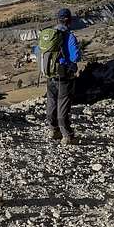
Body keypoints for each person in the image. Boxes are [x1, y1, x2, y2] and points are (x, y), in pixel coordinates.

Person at [36, 8, 83, 145]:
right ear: (69, 21)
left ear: (58, 19)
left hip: (50, 76)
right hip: (65, 77)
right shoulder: (69, 36)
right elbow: (75, 57)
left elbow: (38, 51)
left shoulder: (48, 35)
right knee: (63, 106)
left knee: (51, 103)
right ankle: (67, 136)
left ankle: (53, 130)